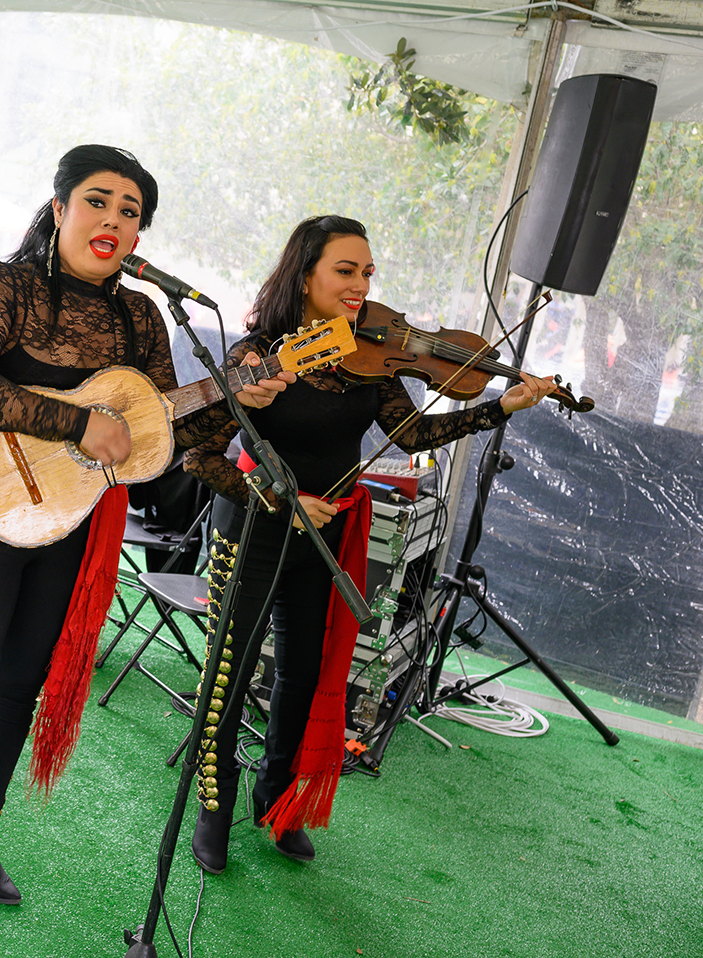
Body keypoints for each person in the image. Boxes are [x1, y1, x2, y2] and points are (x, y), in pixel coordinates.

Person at [0, 144, 288, 936]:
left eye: (132, 212)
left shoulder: (141, 316)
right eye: (100, 201)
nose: (114, 220)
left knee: (20, 683)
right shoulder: (5, 285)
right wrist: (78, 419)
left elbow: (153, 438)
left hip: (66, 517)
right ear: (60, 206)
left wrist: (243, 396)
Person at [182, 214, 557, 873]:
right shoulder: (256, 355)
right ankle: (212, 810)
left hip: (328, 531)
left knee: (301, 674)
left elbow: (410, 436)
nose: (361, 286)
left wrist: (502, 407)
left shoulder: (364, 358)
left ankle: (276, 801)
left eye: (368, 274)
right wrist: (279, 500)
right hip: (255, 524)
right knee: (229, 675)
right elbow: (199, 455)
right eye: (346, 271)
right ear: (304, 277)